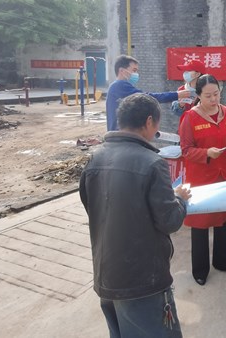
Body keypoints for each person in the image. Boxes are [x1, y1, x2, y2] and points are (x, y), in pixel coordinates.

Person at [80, 93, 192, 337]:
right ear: (149, 121)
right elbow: (170, 221)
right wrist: (181, 200)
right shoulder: (152, 162)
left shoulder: (95, 157)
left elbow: (94, 206)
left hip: (106, 273)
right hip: (143, 280)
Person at [178, 74, 226, 286]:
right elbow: (186, 150)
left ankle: (222, 261)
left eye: (216, 94)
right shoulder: (190, 118)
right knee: (201, 223)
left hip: (223, 175)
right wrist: (206, 153)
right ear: (198, 96)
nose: (213, 99)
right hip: (201, 178)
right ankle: (200, 269)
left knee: (222, 219)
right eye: (208, 96)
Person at [106, 55, 190, 131]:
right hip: (120, 135)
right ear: (121, 71)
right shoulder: (120, 85)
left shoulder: (117, 86)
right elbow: (147, 98)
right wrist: (176, 94)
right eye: (134, 70)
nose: (136, 74)